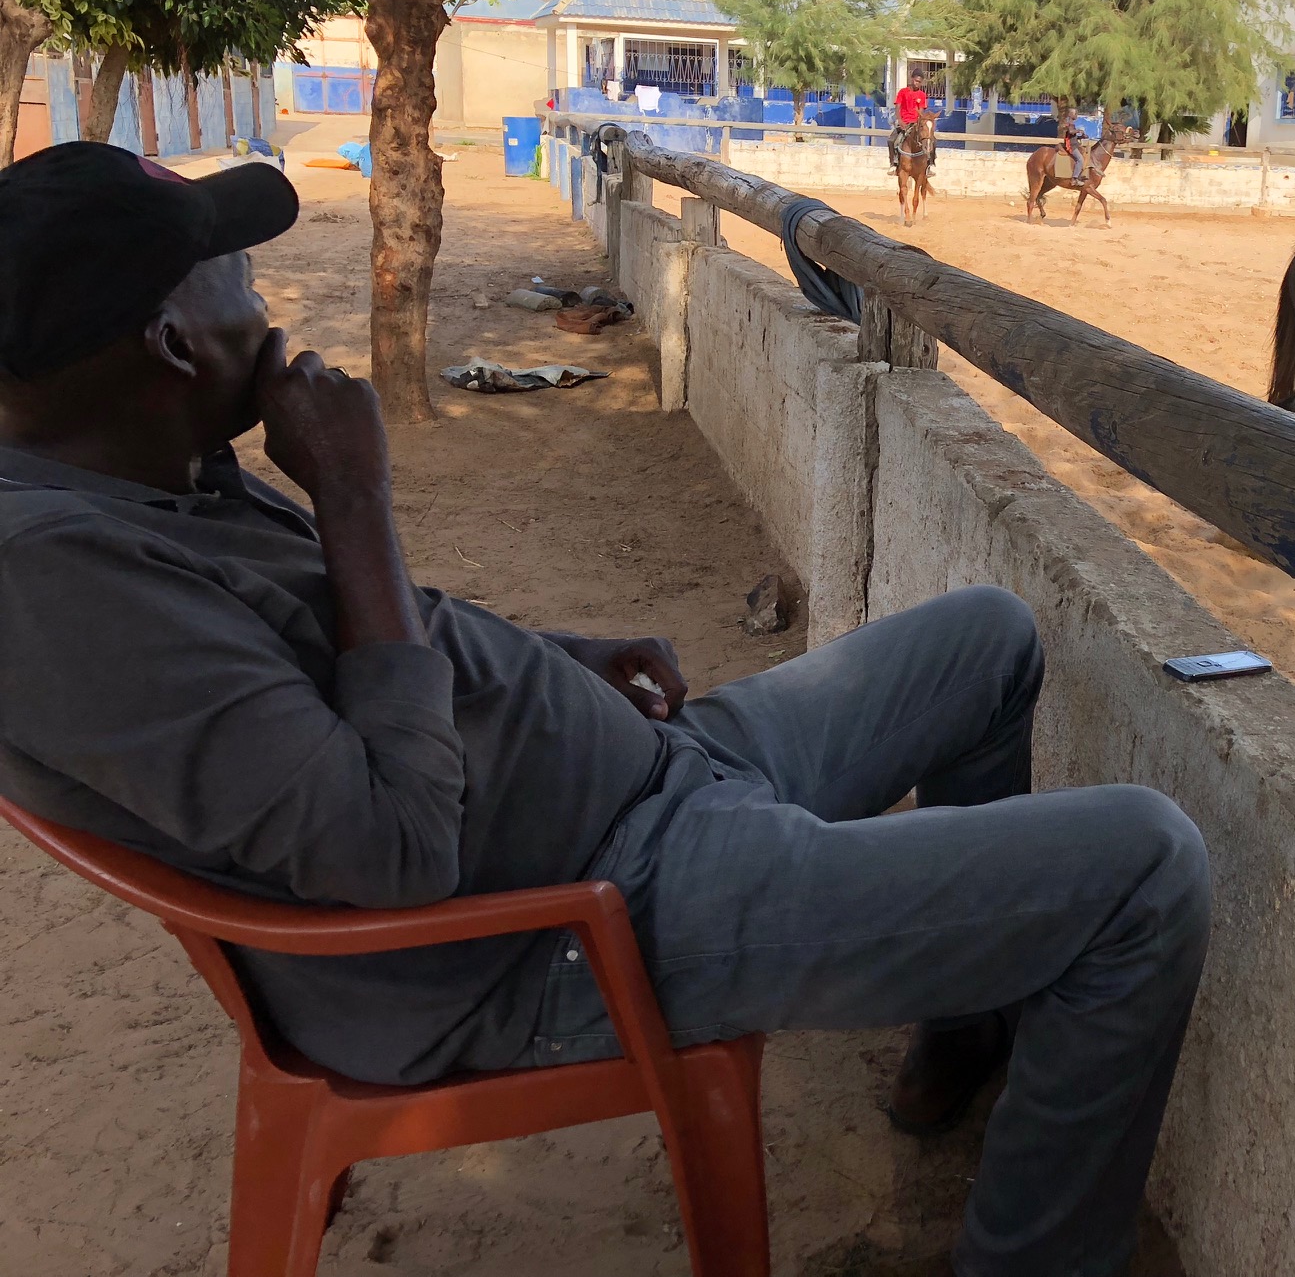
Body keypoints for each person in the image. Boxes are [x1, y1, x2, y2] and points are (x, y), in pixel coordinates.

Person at [0, 143, 1211, 1277]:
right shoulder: (56, 588)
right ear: (167, 346)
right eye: (235, 274)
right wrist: (356, 499)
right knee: (1143, 870)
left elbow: (368, 656)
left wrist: (557, 660)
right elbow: (395, 850)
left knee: (986, 640)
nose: (262, 297)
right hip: (571, 925)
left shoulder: (150, 464)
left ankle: (964, 1017)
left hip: (641, 783)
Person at [889, 68, 937, 174]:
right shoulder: (903, 92)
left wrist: (919, 122)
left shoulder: (922, 95)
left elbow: (921, 111)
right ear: (912, 79)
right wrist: (900, 120)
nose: (917, 84)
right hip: (904, 123)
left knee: (931, 141)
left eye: (919, 82)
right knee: (892, 140)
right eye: (916, 81)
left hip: (916, 123)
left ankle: (930, 164)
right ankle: (894, 164)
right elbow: (898, 107)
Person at [1058, 107, 1087, 183]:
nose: (1077, 115)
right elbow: (1071, 132)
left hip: (1075, 144)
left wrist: (1082, 136)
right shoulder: (1069, 123)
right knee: (1080, 159)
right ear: (1071, 114)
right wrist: (1079, 130)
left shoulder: (1072, 123)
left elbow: (1073, 136)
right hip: (1071, 146)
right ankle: (1074, 178)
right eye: (1075, 114)